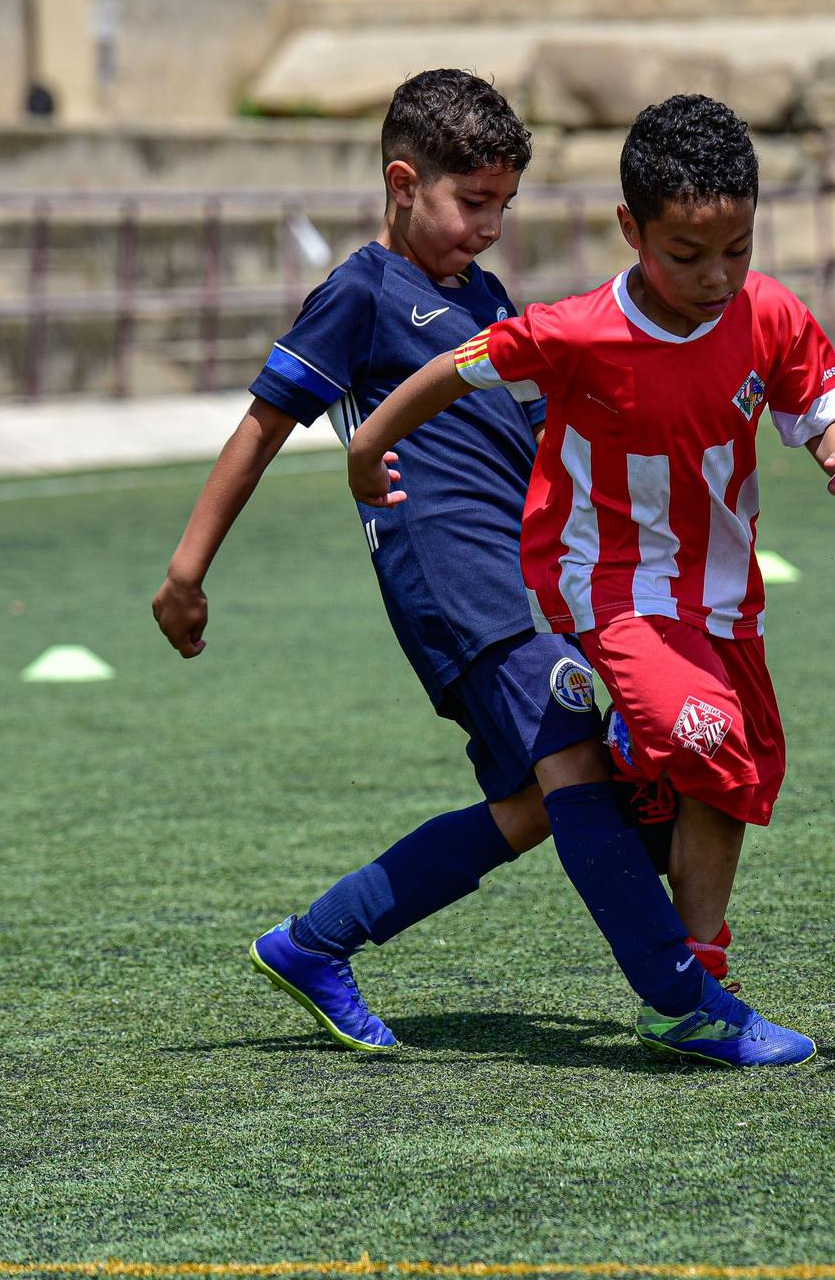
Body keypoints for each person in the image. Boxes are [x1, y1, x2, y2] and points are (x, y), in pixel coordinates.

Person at [152, 71, 788, 1066]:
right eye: (471, 203)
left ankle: (315, 944)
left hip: (531, 580)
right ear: (403, 184)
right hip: (453, 579)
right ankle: (684, 1000)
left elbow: (553, 441)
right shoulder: (361, 292)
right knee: (574, 760)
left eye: (504, 205)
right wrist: (186, 573)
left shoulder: (483, 299)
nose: (489, 227)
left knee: (536, 807)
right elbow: (261, 428)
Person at [346, 93, 835, 1063]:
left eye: (736, 250)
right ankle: (675, 976)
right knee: (707, 740)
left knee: (737, 780)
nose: (715, 276)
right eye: (686, 255)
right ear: (632, 231)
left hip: (720, 594)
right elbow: (455, 367)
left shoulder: (767, 314)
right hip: (605, 585)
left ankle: (700, 968)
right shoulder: (579, 330)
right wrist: (369, 446)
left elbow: (817, 403)